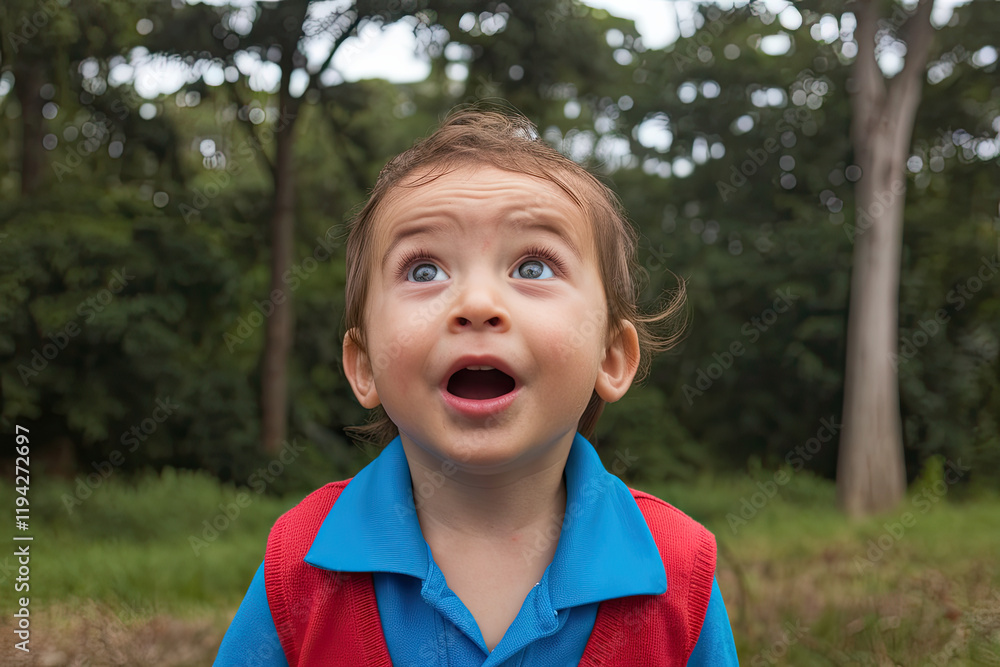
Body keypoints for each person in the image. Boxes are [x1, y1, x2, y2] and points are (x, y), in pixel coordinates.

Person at [213, 108, 740, 666]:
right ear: (364, 364)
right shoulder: (300, 564)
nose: (478, 304)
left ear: (611, 357)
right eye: (424, 271)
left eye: (533, 268)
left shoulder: (679, 571)